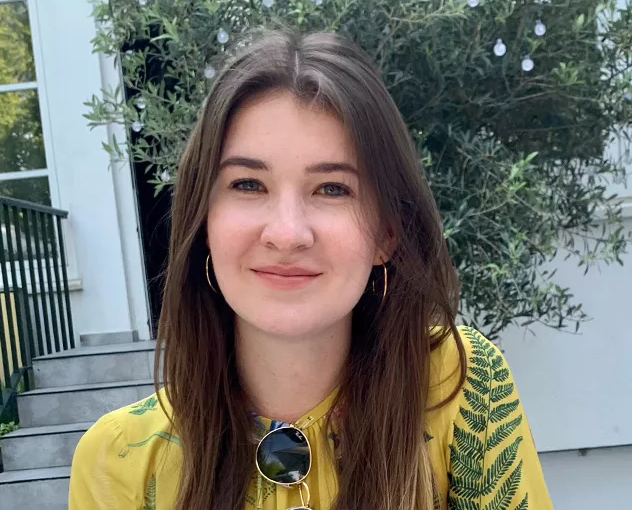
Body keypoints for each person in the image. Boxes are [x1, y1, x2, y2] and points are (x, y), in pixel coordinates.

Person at [69, 29, 553, 510]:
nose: (287, 233)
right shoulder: (119, 460)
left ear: (386, 234)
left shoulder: (458, 386)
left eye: (332, 189)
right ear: (204, 225)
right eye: (248, 184)